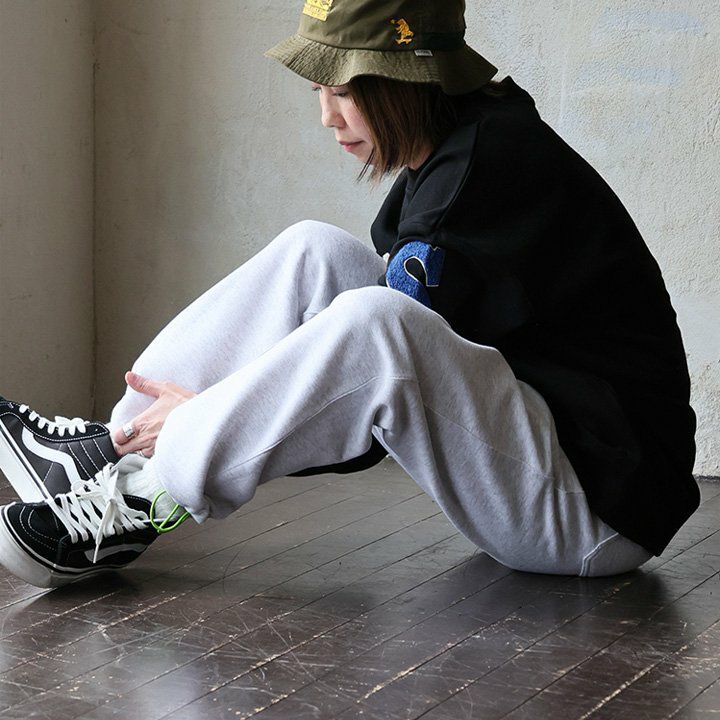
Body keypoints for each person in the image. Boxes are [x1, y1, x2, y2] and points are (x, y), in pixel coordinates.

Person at [0, 0, 698, 589]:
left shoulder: (479, 179)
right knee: (318, 252)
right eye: (319, 91)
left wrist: (207, 417)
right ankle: (115, 447)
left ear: (404, 79)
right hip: (543, 460)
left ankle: (142, 501)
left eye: (343, 90)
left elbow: (365, 407)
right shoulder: (464, 144)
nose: (327, 118)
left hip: (596, 510)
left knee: (376, 322)